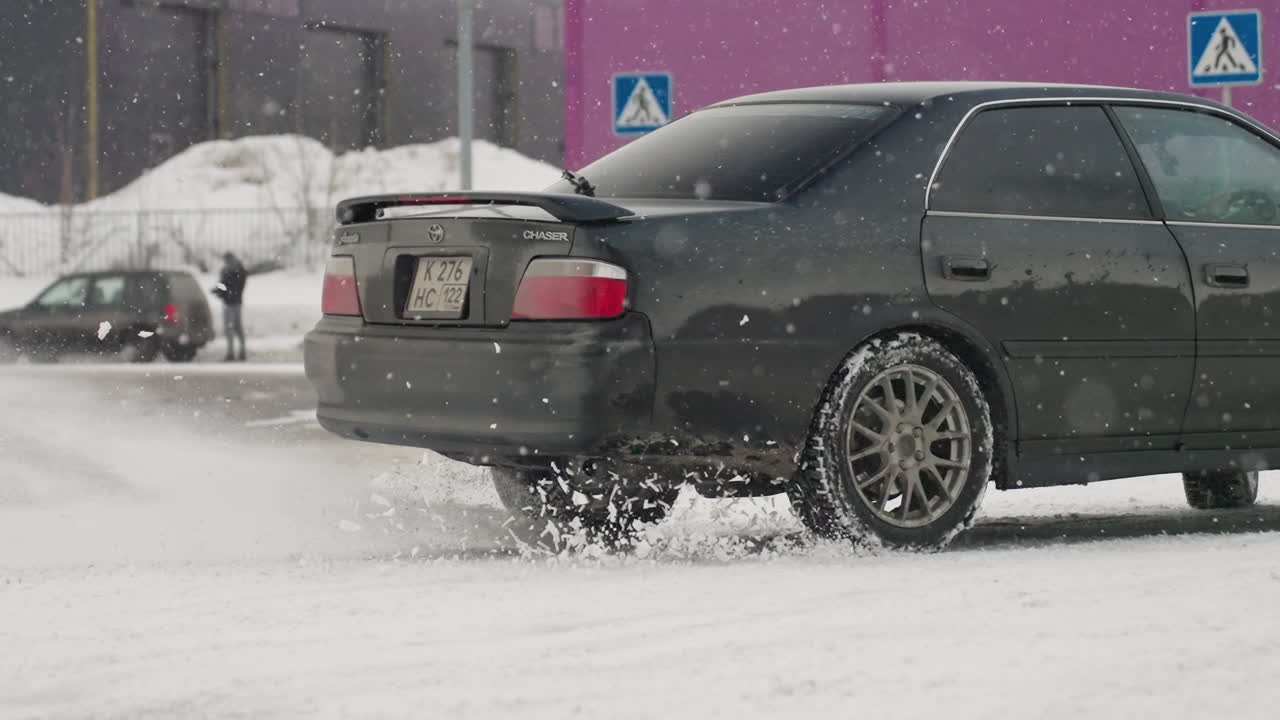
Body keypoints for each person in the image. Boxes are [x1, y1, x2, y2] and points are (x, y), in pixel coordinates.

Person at [212, 252, 247, 361]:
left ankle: (232, 352)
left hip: (230, 302)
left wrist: (220, 290)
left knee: (230, 328)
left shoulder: (232, 271)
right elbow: (227, 285)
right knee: (236, 327)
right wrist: (220, 289)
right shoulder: (237, 270)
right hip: (233, 301)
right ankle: (240, 351)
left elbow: (227, 285)